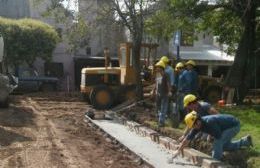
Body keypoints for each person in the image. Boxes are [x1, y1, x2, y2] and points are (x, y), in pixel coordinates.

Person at [174, 111, 253, 160]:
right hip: (224, 127)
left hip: (233, 125)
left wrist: (211, 162)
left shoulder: (209, 122)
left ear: (197, 122)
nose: (193, 128)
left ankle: (215, 161)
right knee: (224, 146)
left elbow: (218, 136)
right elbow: (187, 139)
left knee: (217, 142)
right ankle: (245, 141)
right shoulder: (197, 126)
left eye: (193, 126)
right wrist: (178, 151)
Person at [152, 60, 171, 127]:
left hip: (165, 94)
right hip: (159, 94)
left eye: (158, 67)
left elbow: (168, 84)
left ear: (161, 67)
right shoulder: (158, 75)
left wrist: (169, 91)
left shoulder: (166, 74)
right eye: (156, 67)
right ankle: (159, 120)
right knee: (158, 108)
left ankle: (161, 122)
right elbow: (156, 83)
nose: (156, 68)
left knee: (163, 108)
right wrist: (153, 91)